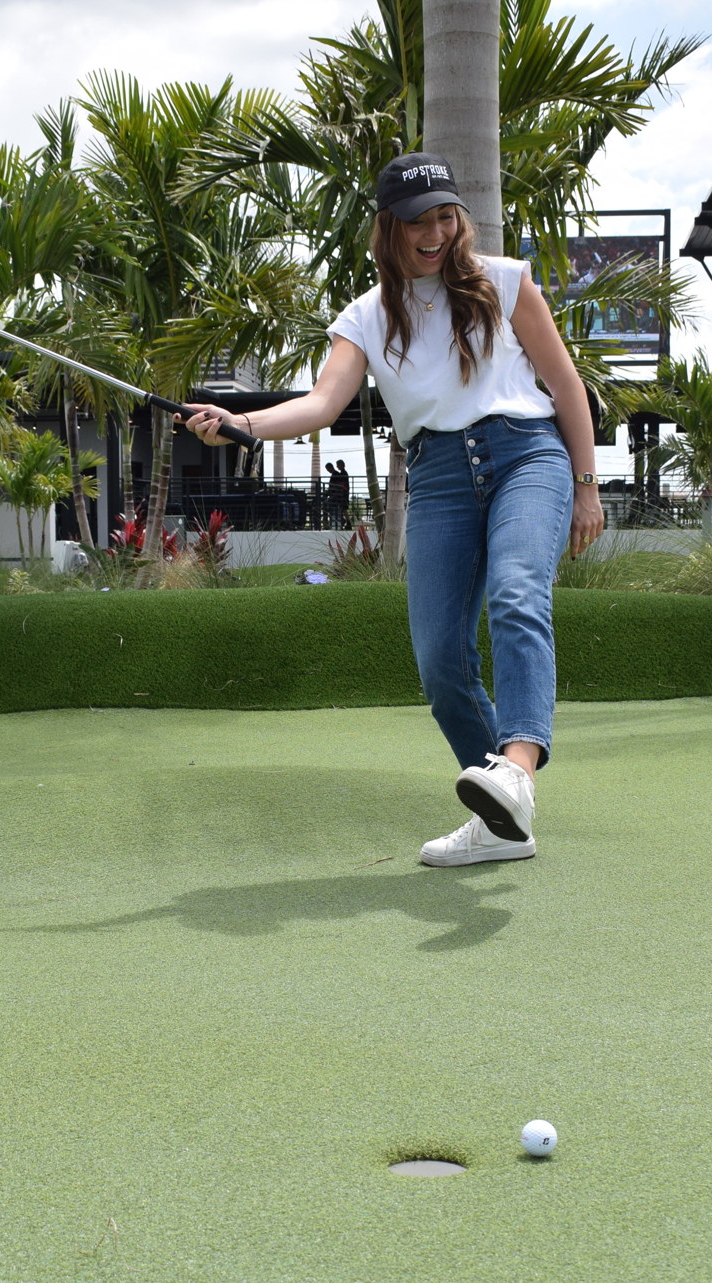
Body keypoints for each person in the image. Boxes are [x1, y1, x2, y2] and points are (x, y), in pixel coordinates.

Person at [180, 151, 603, 866]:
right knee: (440, 658)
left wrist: (587, 485)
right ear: (389, 228)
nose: (435, 232)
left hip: (527, 454)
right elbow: (321, 402)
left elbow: (565, 384)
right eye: (417, 221)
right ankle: (504, 815)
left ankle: (518, 772)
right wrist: (242, 423)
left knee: (516, 591)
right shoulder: (365, 318)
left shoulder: (505, 280)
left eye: (445, 215)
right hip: (436, 476)